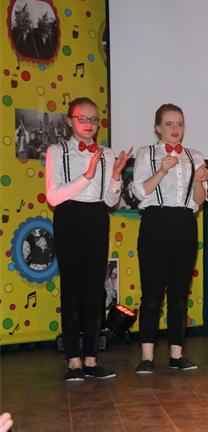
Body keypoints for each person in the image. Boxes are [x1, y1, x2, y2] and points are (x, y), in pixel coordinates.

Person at [45, 97, 131, 381]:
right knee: (72, 289)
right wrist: (86, 176)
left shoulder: (107, 153)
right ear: (70, 121)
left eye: (94, 119)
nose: (89, 124)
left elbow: (110, 200)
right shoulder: (57, 151)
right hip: (69, 216)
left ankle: (92, 359)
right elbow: (53, 197)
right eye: (83, 118)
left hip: (96, 217)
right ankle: (73, 360)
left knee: (96, 291)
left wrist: (115, 176)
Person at [131, 104, 208, 373]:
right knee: (152, 293)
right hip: (155, 222)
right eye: (169, 124)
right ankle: (147, 357)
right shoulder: (147, 153)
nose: (175, 129)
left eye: (179, 124)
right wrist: (162, 171)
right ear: (158, 128)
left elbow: (199, 201)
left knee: (179, 293)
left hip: (185, 224)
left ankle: (177, 354)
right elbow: (139, 193)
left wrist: (199, 181)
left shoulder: (194, 156)